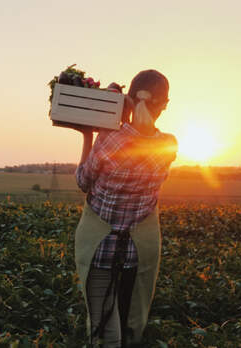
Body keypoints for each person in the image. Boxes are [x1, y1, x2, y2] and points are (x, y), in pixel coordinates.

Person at [71, 70, 177, 347]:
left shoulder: (111, 140)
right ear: (164, 105)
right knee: (131, 326)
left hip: (100, 249)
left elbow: (83, 181)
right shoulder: (169, 145)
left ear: (129, 99)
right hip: (137, 252)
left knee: (103, 329)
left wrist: (89, 135)